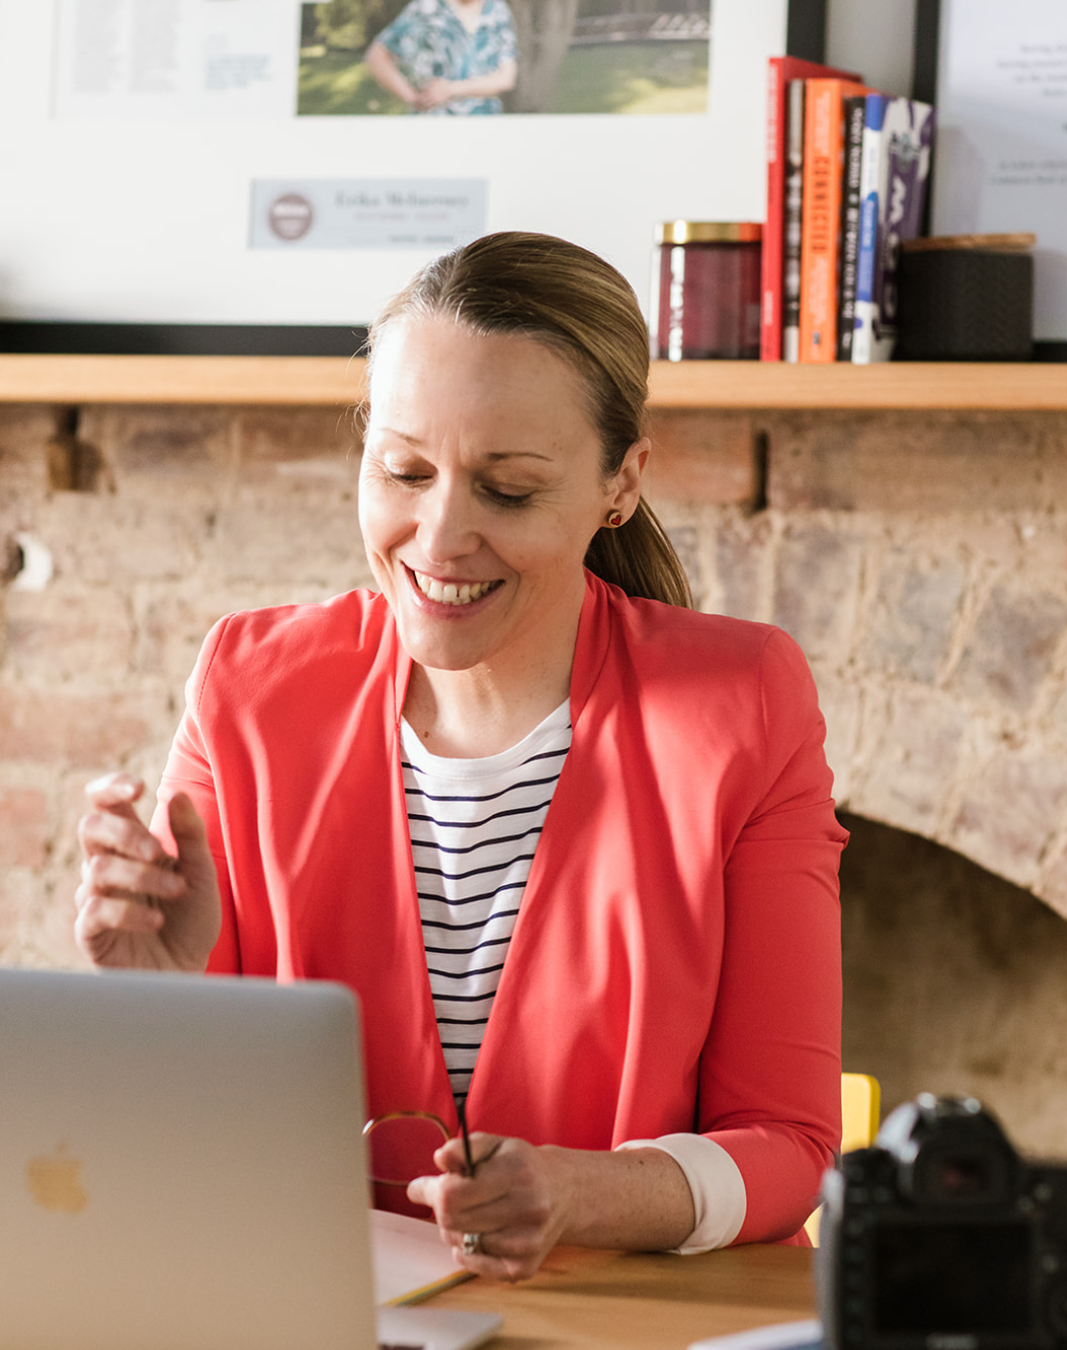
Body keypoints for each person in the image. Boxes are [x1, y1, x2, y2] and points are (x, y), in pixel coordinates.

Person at [75, 231, 847, 1283]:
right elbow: (175, 1160)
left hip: (622, 1327)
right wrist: (149, 1006)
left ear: (620, 484)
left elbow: (790, 1148)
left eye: (509, 490)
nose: (438, 540)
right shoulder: (249, 688)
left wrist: (584, 1193)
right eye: (404, 470)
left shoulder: (740, 705)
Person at [365, 0, 517, 114]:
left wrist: (450, 89)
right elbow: (377, 55)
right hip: (433, 125)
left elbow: (506, 79)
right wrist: (411, 97)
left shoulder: (497, 10)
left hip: (484, 126)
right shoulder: (427, 8)